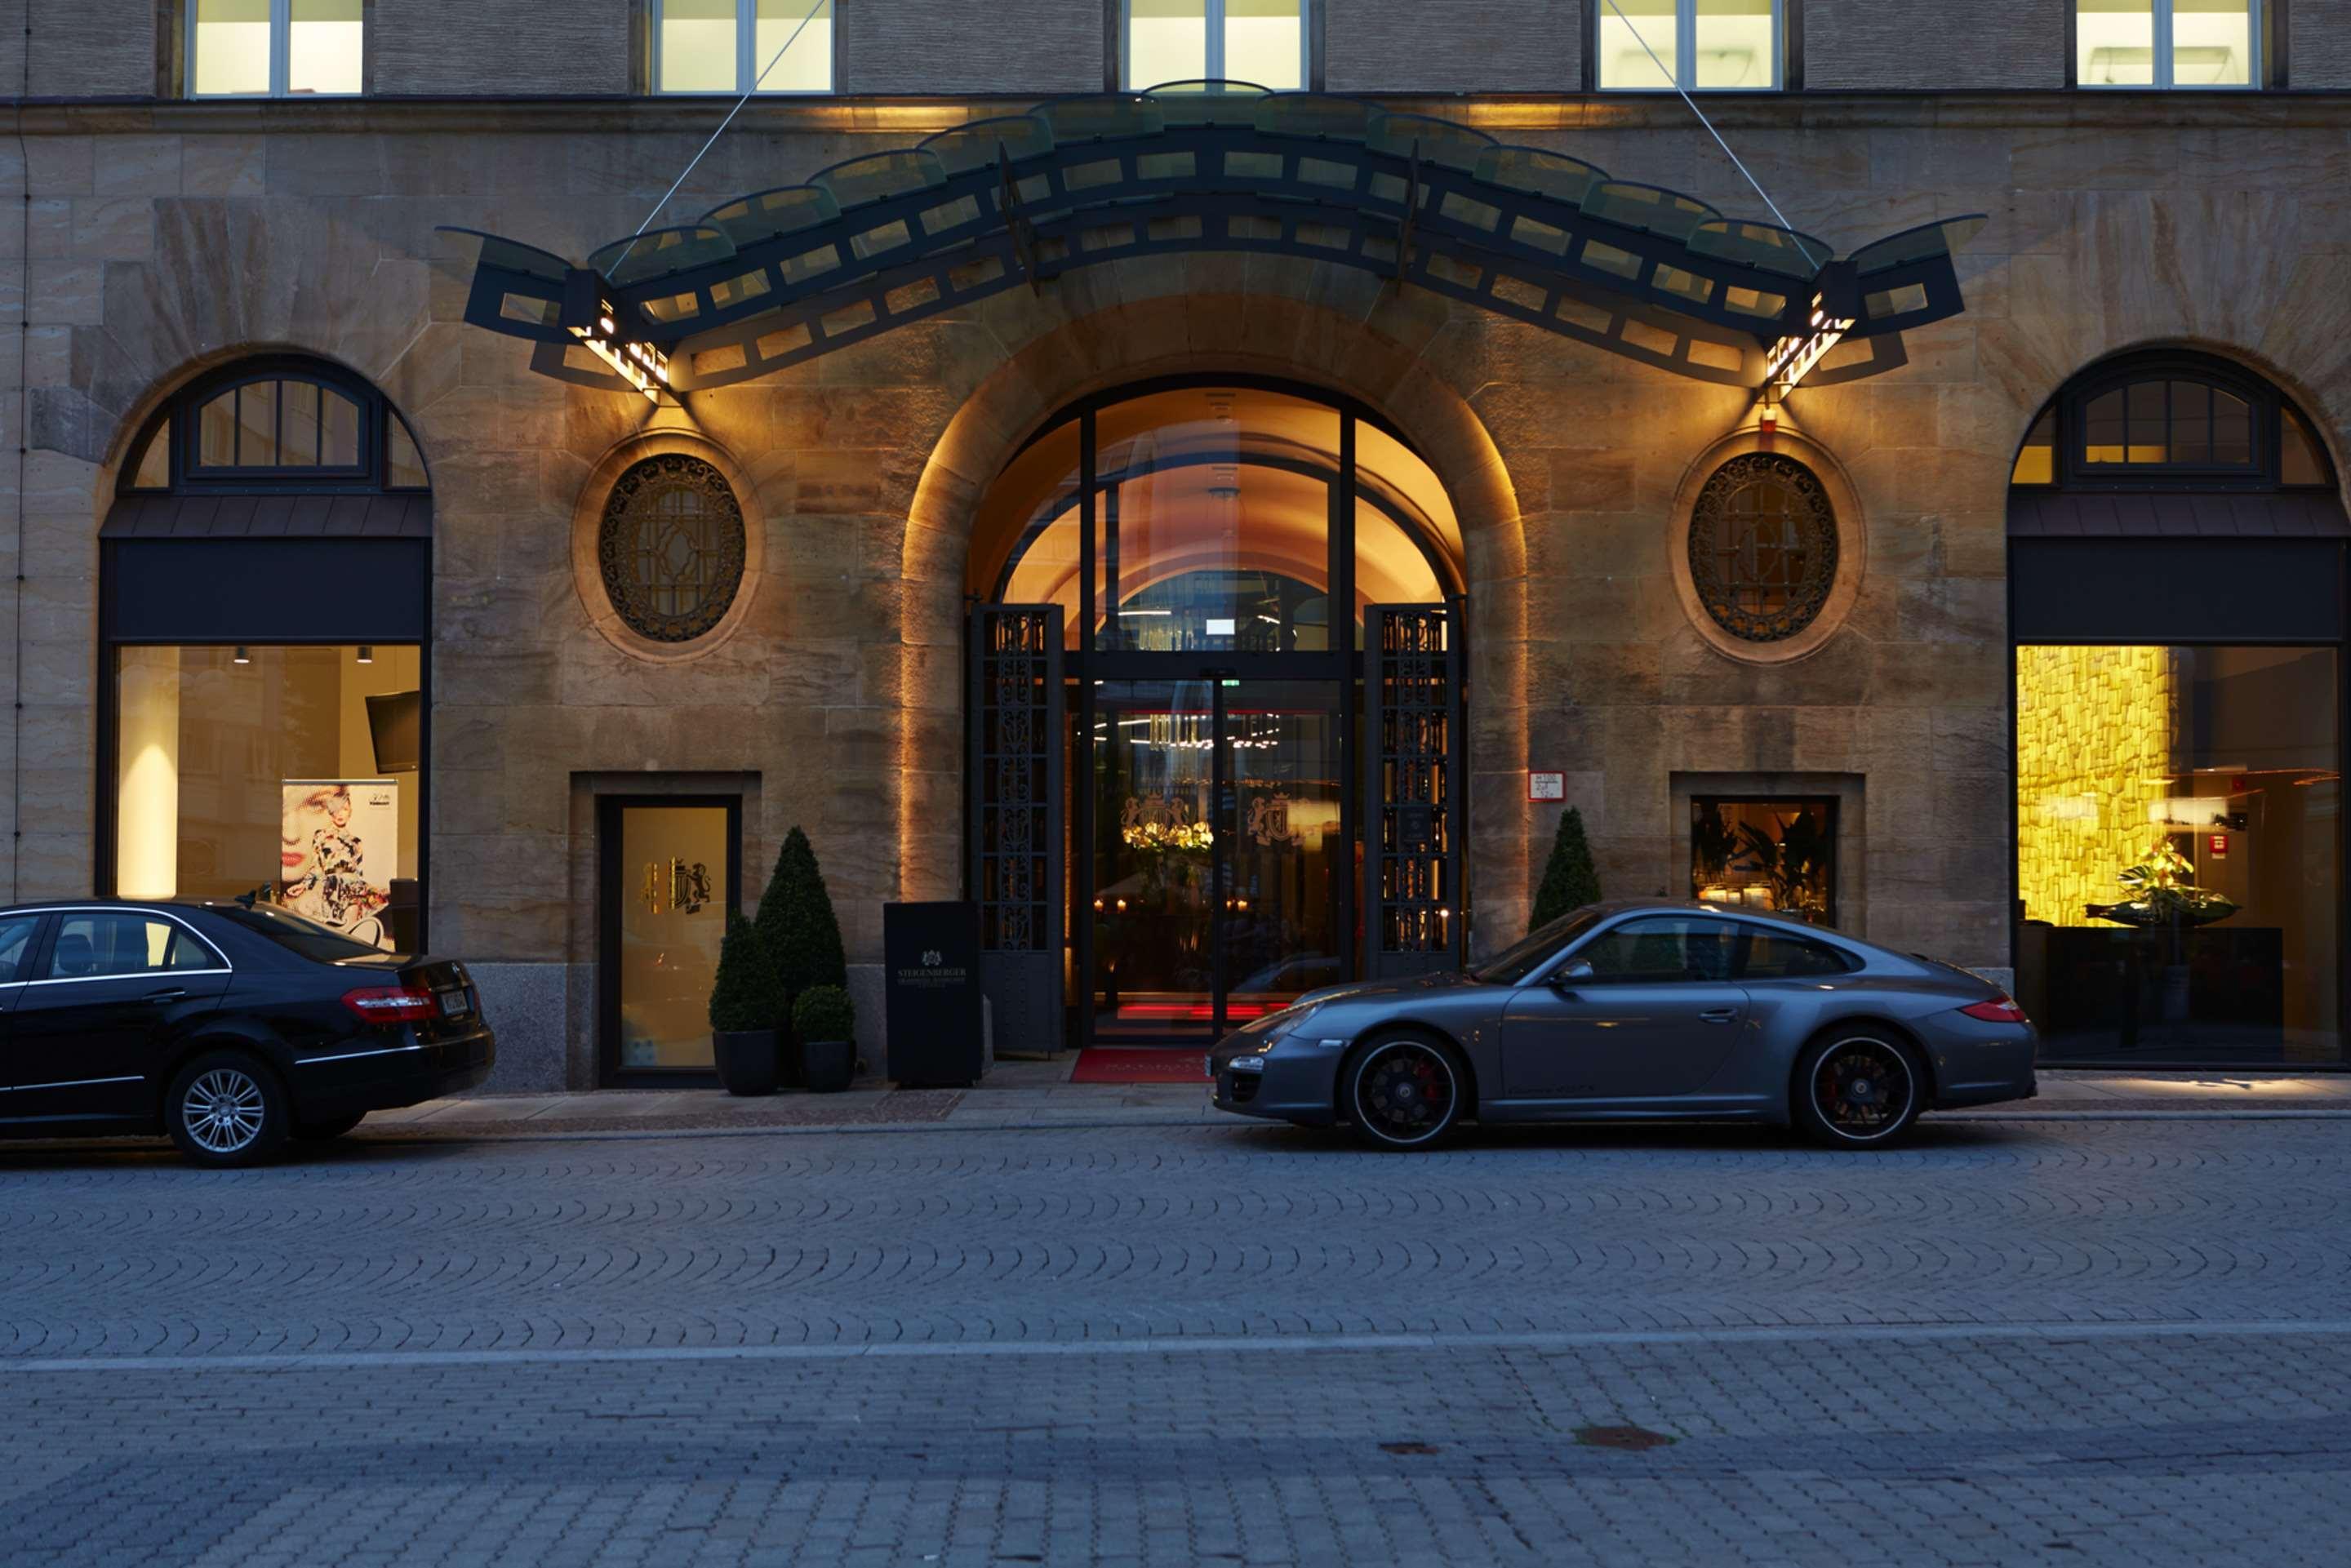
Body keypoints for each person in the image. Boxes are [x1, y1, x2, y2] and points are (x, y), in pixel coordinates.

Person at [280, 783, 391, 948]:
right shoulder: (321, 836)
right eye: (336, 809)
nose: (340, 814)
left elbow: (358, 873)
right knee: (328, 936)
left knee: (351, 935)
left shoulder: (356, 842)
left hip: (351, 891)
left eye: (345, 809)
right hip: (328, 890)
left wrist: (367, 892)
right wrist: (304, 885)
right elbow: (317, 867)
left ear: (350, 811)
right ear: (331, 811)